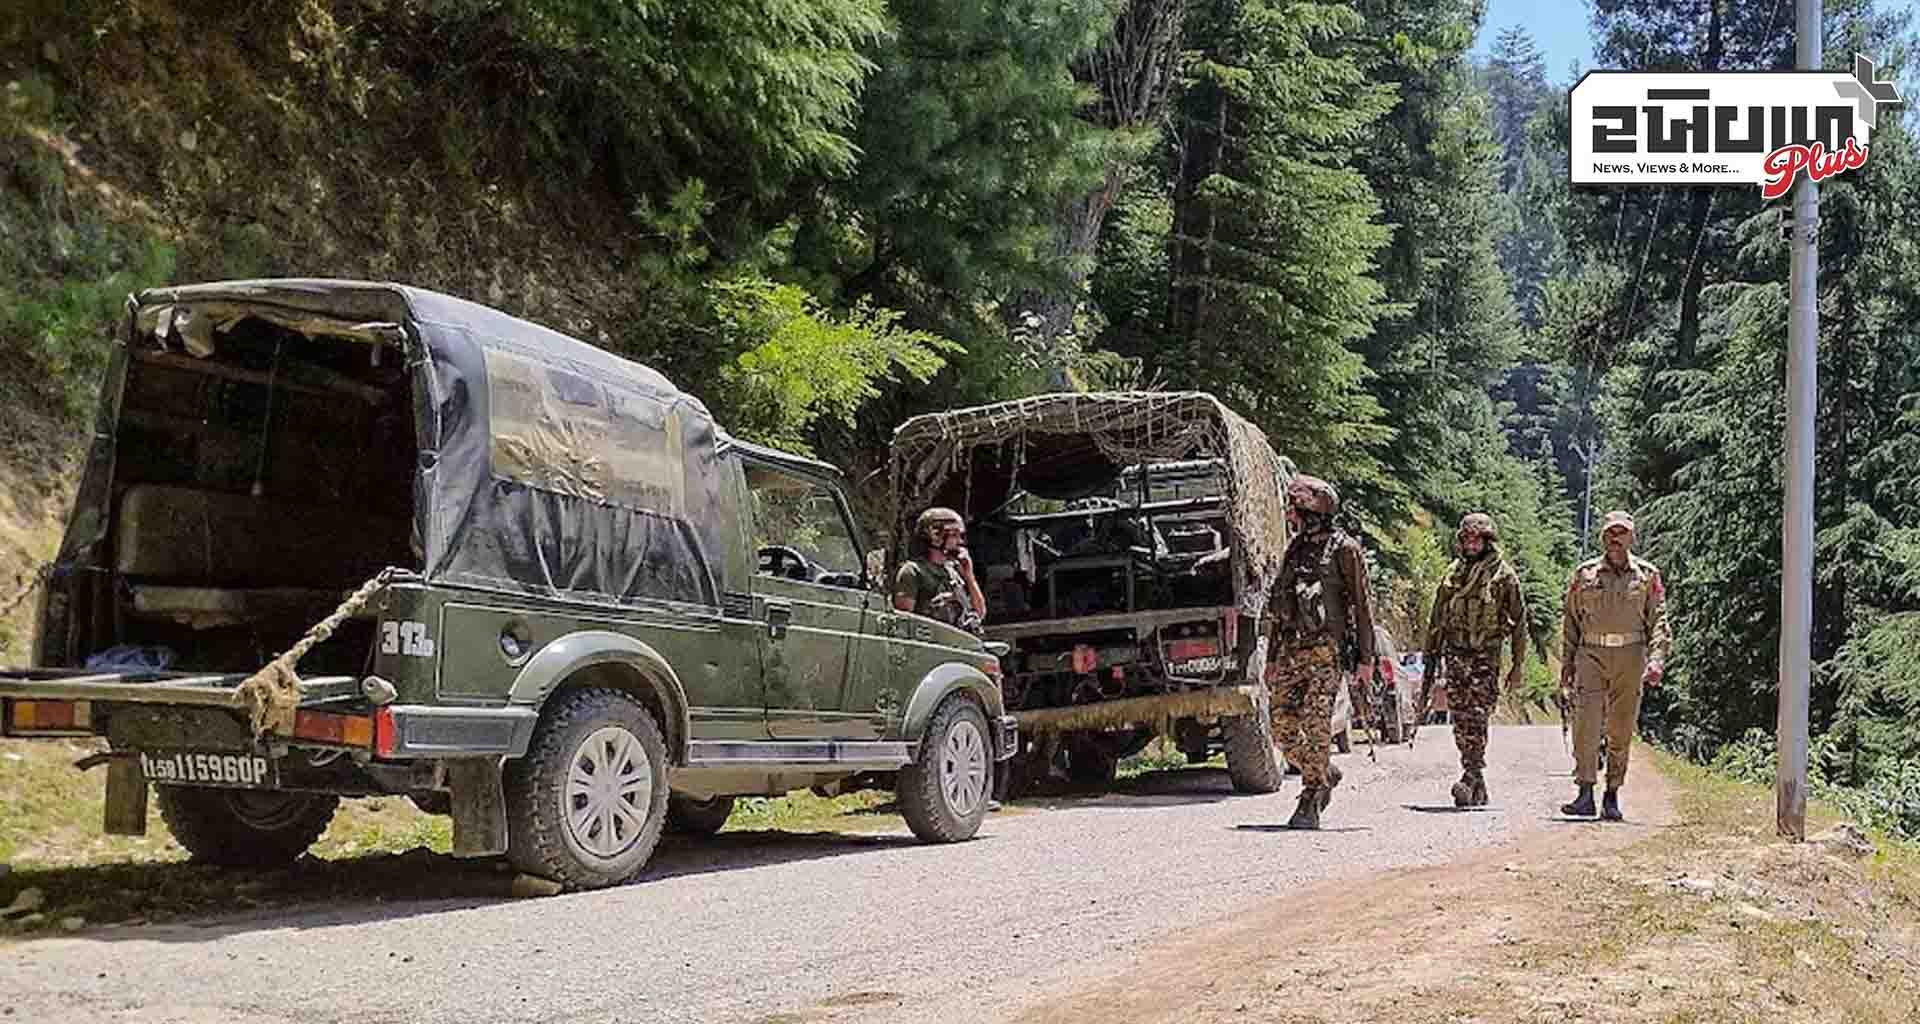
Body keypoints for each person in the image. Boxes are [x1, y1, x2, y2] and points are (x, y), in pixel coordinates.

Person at [1266, 474, 1375, 830]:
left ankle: (1311, 795)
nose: (1289, 515)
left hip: (1327, 652)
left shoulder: (1345, 550)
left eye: (1294, 509)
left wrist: (1366, 660)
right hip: (1291, 651)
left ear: (1312, 511)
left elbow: (1362, 606)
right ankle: (1323, 770)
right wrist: (1271, 658)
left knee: (1316, 726)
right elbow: (1280, 608)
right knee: (1280, 727)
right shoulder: (1294, 550)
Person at [1559, 510, 1672, 822]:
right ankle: (1585, 792)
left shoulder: (1647, 576)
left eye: (1621, 533)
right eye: (1610, 532)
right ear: (1602, 537)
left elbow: (1659, 620)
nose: (1615, 538)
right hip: (1591, 654)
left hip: (1630, 656)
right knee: (1586, 724)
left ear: (1631, 537)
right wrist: (1567, 664)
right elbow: (1570, 621)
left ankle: (1612, 794)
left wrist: (1656, 659)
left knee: (1621, 728)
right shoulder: (1585, 574)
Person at [1423, 513, 1527, 807]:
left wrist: (1517, 666)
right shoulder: (1452, 575)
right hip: (1455, 654)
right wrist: (1430, 658)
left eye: (1476, 540)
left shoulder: (1503, 576)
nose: (1470, 545)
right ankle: (1475, 779)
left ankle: (1470, 776)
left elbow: (1519, 623)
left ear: (1487, 541)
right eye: (1466, 539)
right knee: (1460, 717)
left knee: (1478, 716)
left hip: (1485, 656)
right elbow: (1436, 619)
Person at [893, 506, 986, 633]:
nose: (960, 541)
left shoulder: (953, 572)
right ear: (935, 536)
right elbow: (903, 623)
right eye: (954, 535)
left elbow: (979, 613)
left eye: (960, 536)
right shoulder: (912, 571)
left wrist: (969, 576)